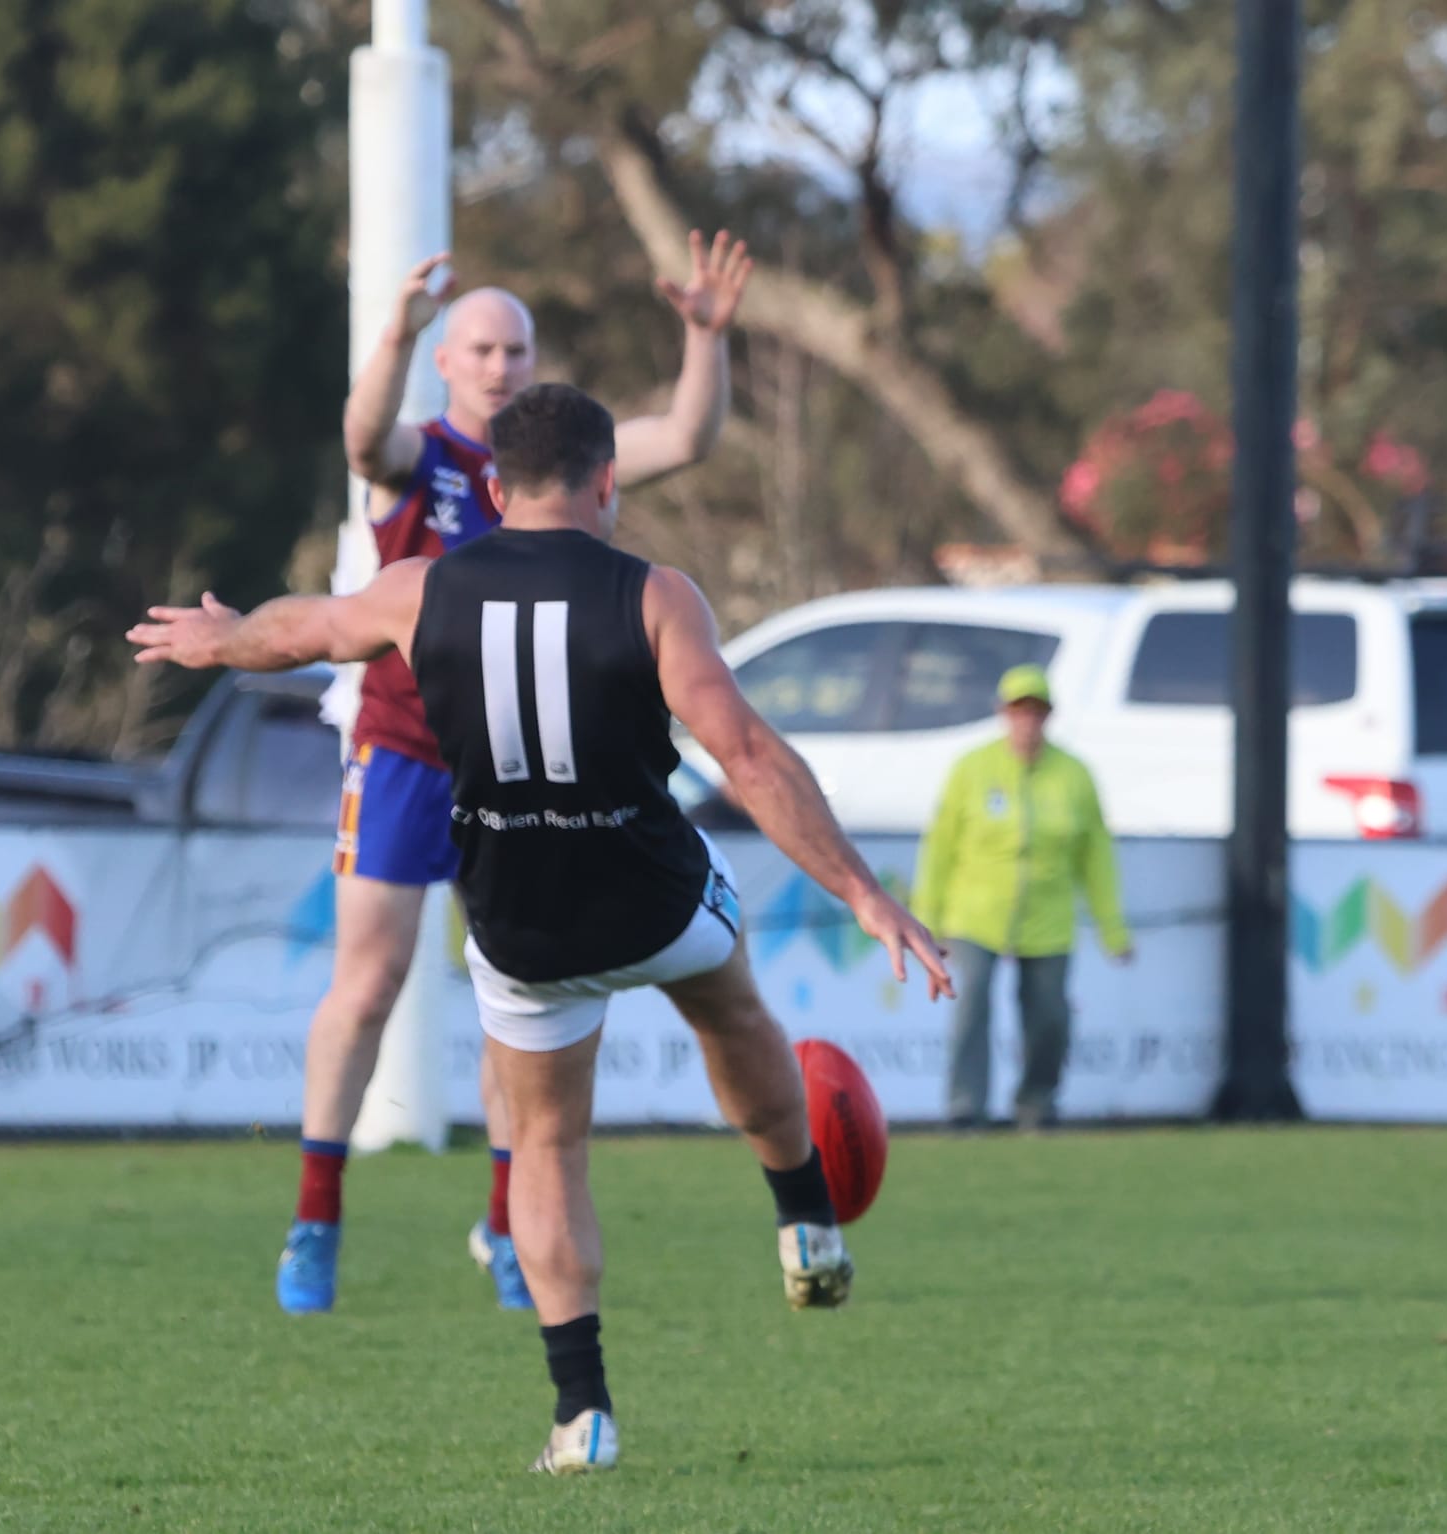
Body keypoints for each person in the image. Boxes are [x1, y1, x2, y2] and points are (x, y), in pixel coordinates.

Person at [128, 382, 952, 1474]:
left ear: (491, 484)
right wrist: (859, 889)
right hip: (648, 890)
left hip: (521, 918)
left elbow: (305, 631)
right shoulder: (656, 594)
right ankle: (803, 1215)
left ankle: (583, 1413)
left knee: (549, 1145)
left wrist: (225, 636)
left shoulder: (420, 587)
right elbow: (746, 756)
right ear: (607, 480)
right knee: (730, 1002)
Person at [289, 232, 754, 1317]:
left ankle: (507, 1225)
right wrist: (393, 329)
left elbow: (686, 433)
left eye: (516, 349)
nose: (500, 366)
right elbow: (362, 436)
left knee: (518, 983)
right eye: (481, 348)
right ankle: (315, 1216)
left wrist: (702, 336)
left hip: (514, 761)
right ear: (447, 363)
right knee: (368, 979)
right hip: (407, 749)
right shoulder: (423, 457)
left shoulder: (552, 470)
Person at [911, 664, 1134, 1132]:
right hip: (975, 913)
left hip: (1047, 917)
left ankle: (1036, 1104)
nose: (1026, 722)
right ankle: (965, 1108)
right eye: (1018, 711)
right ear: (1001, 713)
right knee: (970, 1005)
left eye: (1036, 712)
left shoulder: (1074, 775)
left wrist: (1113, 928)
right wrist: (925, 919)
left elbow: (1096, 858)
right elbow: (941, 847)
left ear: (1048, 717)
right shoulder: (972, 768)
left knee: (1050, 1017)